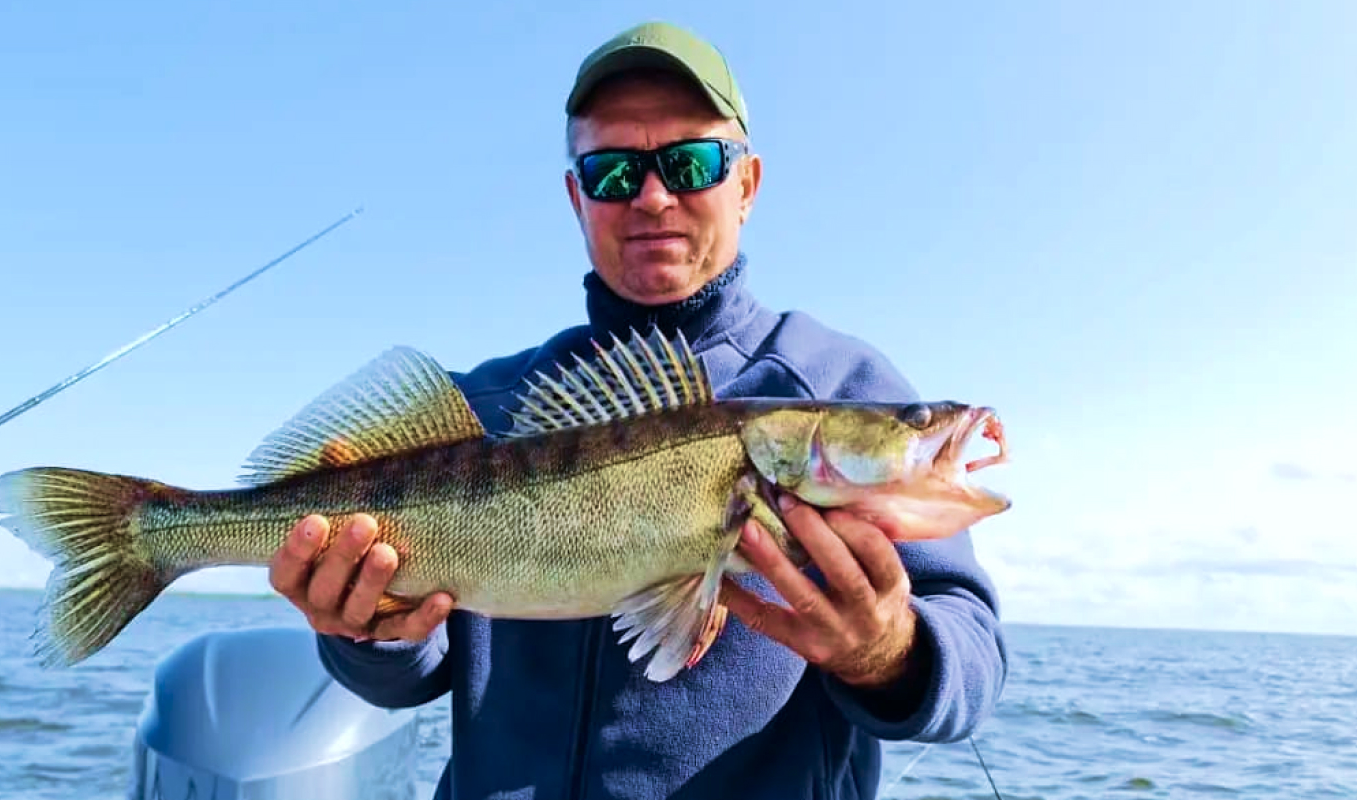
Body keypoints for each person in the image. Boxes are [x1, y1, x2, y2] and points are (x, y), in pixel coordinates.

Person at [267, 20, 1007, 800]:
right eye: (614, 172)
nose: (654, 197)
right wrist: (366, 632)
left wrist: (890, 653)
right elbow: (413, 677)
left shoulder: (838, 380)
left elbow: (974, 663)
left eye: (690, 163)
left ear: (747, 184)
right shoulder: (485, 409)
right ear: (576, 196)